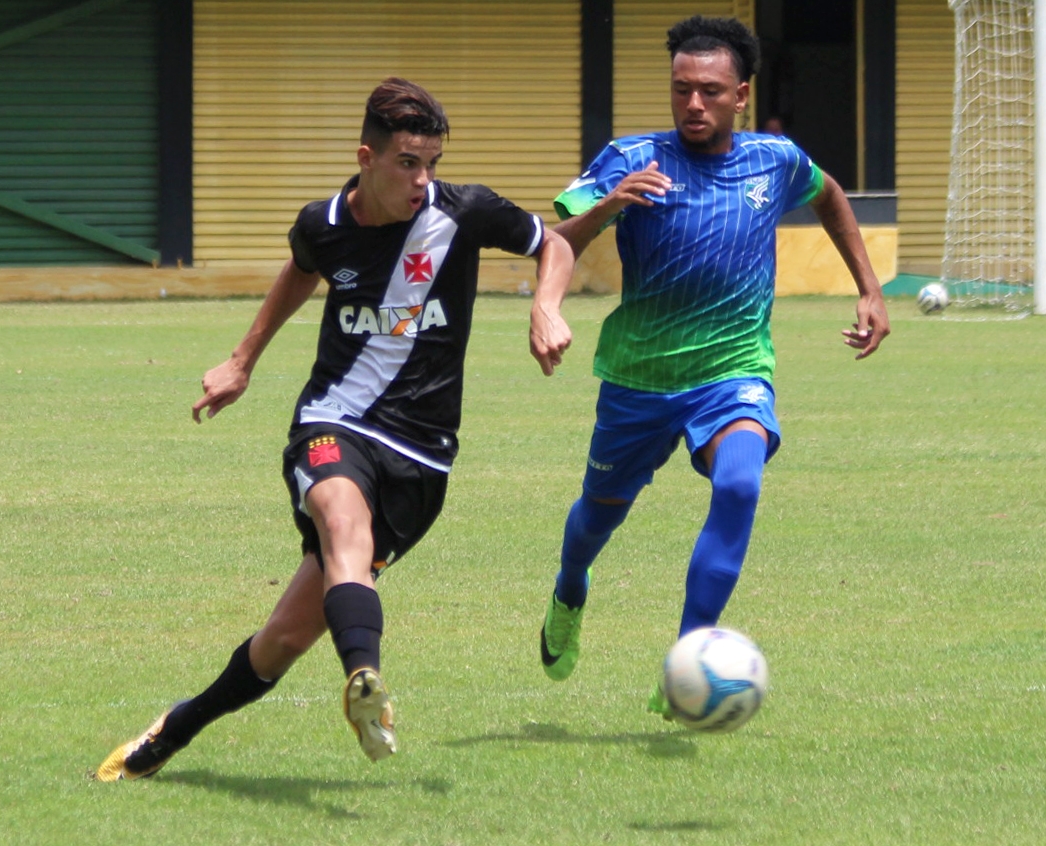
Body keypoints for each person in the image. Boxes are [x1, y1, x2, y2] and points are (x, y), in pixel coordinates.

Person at [95, 77, 574, 779]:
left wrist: (547, 306)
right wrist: (242, 361)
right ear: (367, 157)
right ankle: (367, 685)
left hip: (423, 456)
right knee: (342, 525)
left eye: (432, 163)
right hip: (334, 421)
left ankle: (178, 725)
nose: (423, 179)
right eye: (409, 163)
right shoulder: (323, 222)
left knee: (282, 639)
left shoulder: (463, 211)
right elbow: (301, 270)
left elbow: (552, 243)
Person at [536, 15, 889, 717]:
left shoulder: (776, 160)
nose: (693, 104)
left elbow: (830, 197)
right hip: (639, 377)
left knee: (738, 485)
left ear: (741, 96)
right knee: (596, 521)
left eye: (710, 91)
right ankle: (570, 586)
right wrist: (555, 293)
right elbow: (556, 238)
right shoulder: (629, 157)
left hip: (733, 371)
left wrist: (870, 288)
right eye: (681, 90)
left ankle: (688, 658)